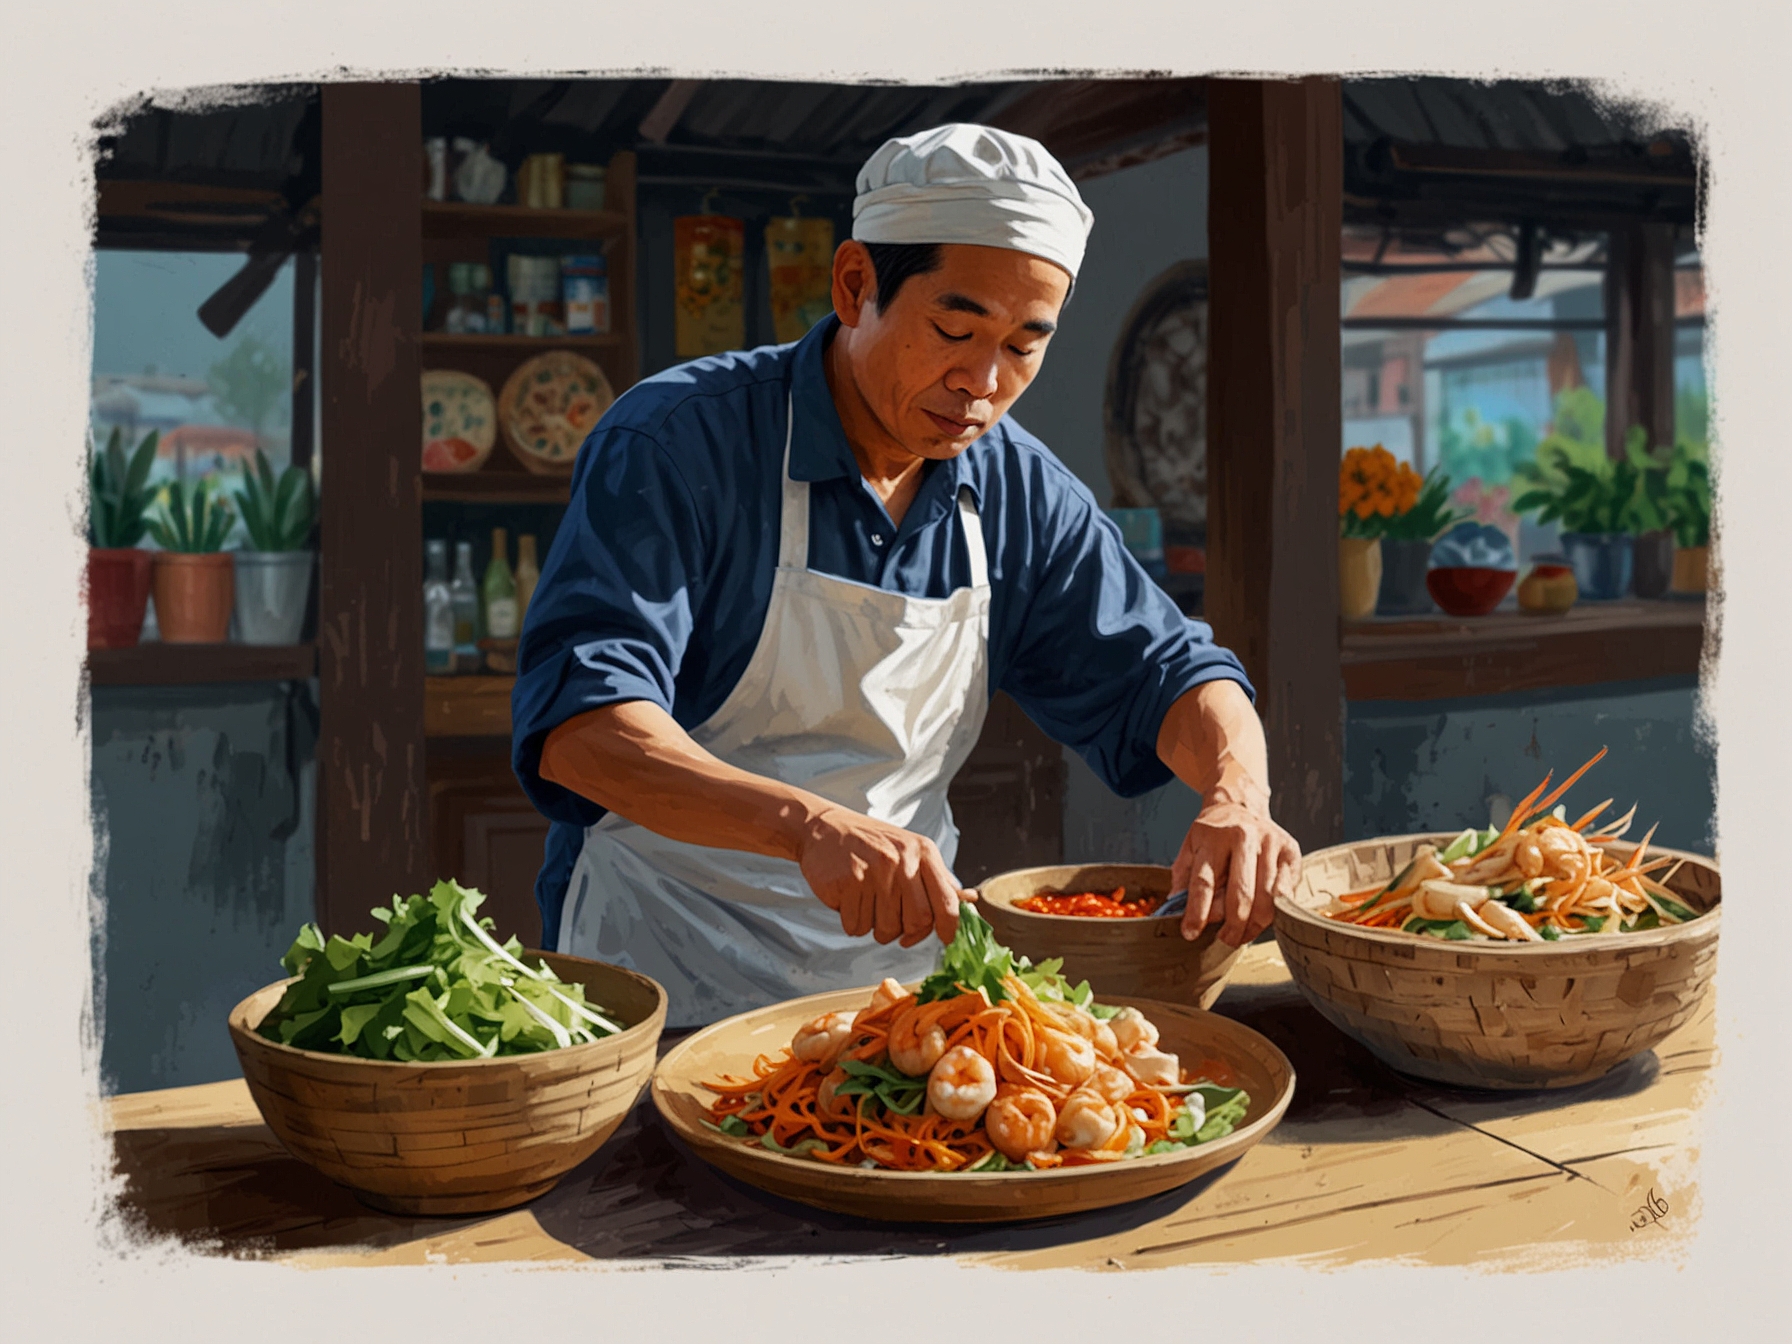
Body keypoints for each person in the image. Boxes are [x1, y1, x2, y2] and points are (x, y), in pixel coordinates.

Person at [512, 123, 1300, 1028]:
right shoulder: (677, 443)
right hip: (667, 967)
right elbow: (581, 729)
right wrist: (807, 827)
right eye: (954, 329)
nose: (983, 381)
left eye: (1024, 345)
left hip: (905, 999)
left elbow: (1175, 674)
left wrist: (1239, 796)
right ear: (856, 286)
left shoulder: (1016, 488)